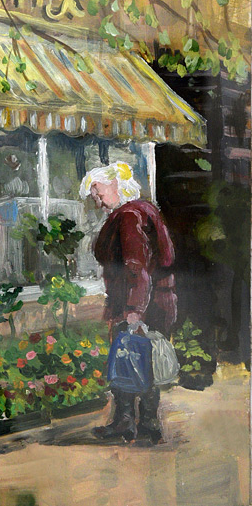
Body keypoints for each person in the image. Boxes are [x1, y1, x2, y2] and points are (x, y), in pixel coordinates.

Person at [79, 161, 177, 444]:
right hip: (156, 301)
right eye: (94, 197)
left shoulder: (128, 215)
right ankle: (144, 425)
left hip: (137, 303)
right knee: (143, 361)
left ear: (116, 186)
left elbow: (136, 265)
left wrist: (134, 310)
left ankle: (132, 424)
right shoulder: (143, 211)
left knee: (131, 358)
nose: (97, 202)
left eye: (98, 194)